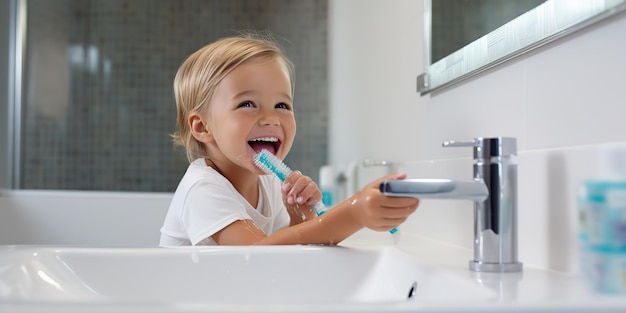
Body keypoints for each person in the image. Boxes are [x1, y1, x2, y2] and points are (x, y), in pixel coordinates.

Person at [159, 35, 419, 246]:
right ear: (203, 127)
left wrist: (300, 218)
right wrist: (353, 212)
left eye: (282, 104)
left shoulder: (270, 183)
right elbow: (257, 257)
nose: (271, 118)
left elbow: (285, 257)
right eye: (248, 103)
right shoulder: (202, 189)